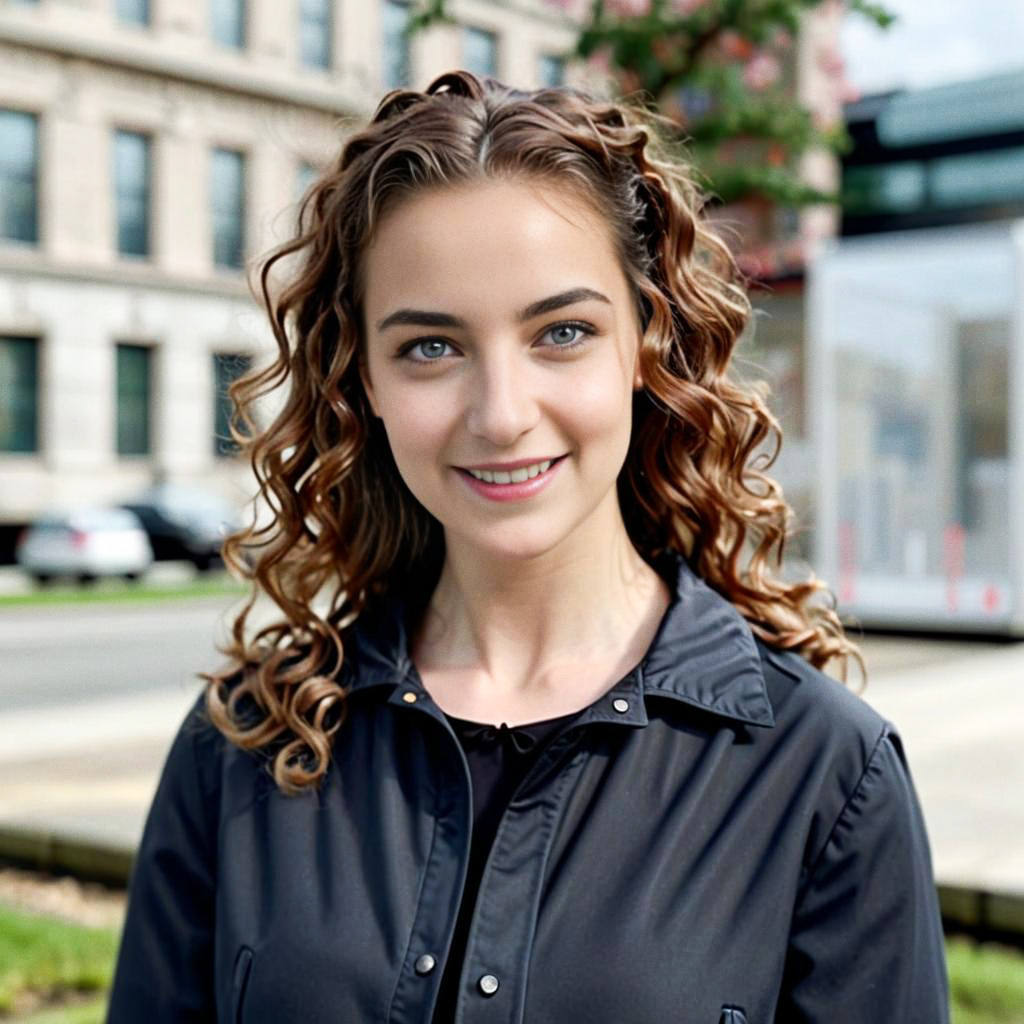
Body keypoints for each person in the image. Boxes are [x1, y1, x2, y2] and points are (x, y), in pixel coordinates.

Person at [106, 70, 950, 1023]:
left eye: (562, 332)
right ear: (365, 380)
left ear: (645, 342)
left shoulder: (825, 773)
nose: (502, 415)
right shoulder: (246, 741)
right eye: (431, 346)